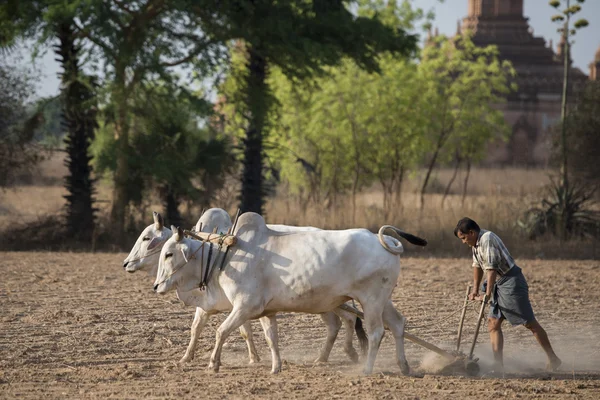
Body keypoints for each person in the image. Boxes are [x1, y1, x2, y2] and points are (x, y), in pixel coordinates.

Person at [453, 217, 562, 373]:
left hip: (511, 281)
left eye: (463, 238)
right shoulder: (475, 244)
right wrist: (475, 290)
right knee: (493, 323)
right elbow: (477, 266)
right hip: (498, 282)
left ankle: (553, 358)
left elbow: (491, 269)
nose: (463, 242)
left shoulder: (487, 239)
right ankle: (498, 365)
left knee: (529, 323)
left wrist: (488, 293)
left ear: (471, 232)